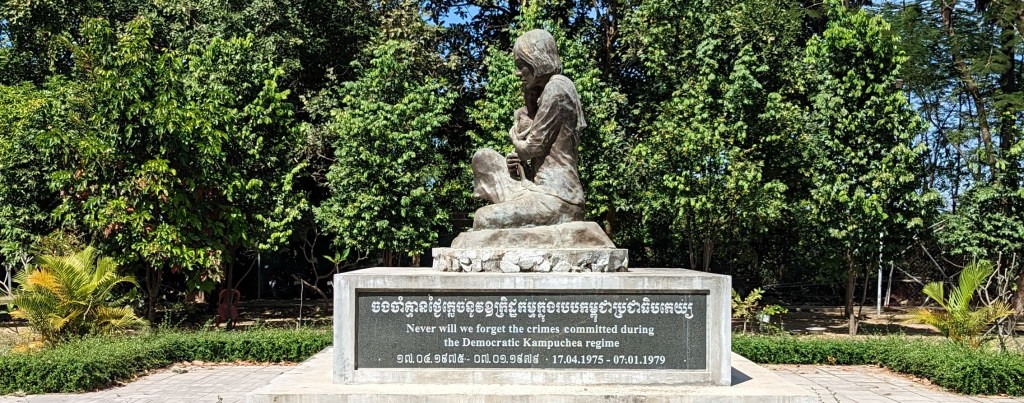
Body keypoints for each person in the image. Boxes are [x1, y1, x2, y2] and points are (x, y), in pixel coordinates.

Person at [471, 29, 586, 230]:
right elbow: (534, 150)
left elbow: (532, 147)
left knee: (483, 218)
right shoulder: (551, 89)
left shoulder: (556, 88)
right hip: (536, 189)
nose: (519, 73)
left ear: (537, 61)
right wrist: (516, 162)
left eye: (521, 65)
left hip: (558, 196)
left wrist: (514, 138)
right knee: (483, 158)